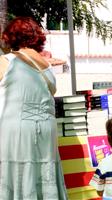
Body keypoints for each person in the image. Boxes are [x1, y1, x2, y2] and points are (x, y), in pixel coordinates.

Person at [0, 17, 68, 199]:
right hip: (46, 130)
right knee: (45, 176)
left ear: (12, 38)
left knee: (18, 174)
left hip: (17, 129)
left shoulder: (6, 62)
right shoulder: (47, 66)